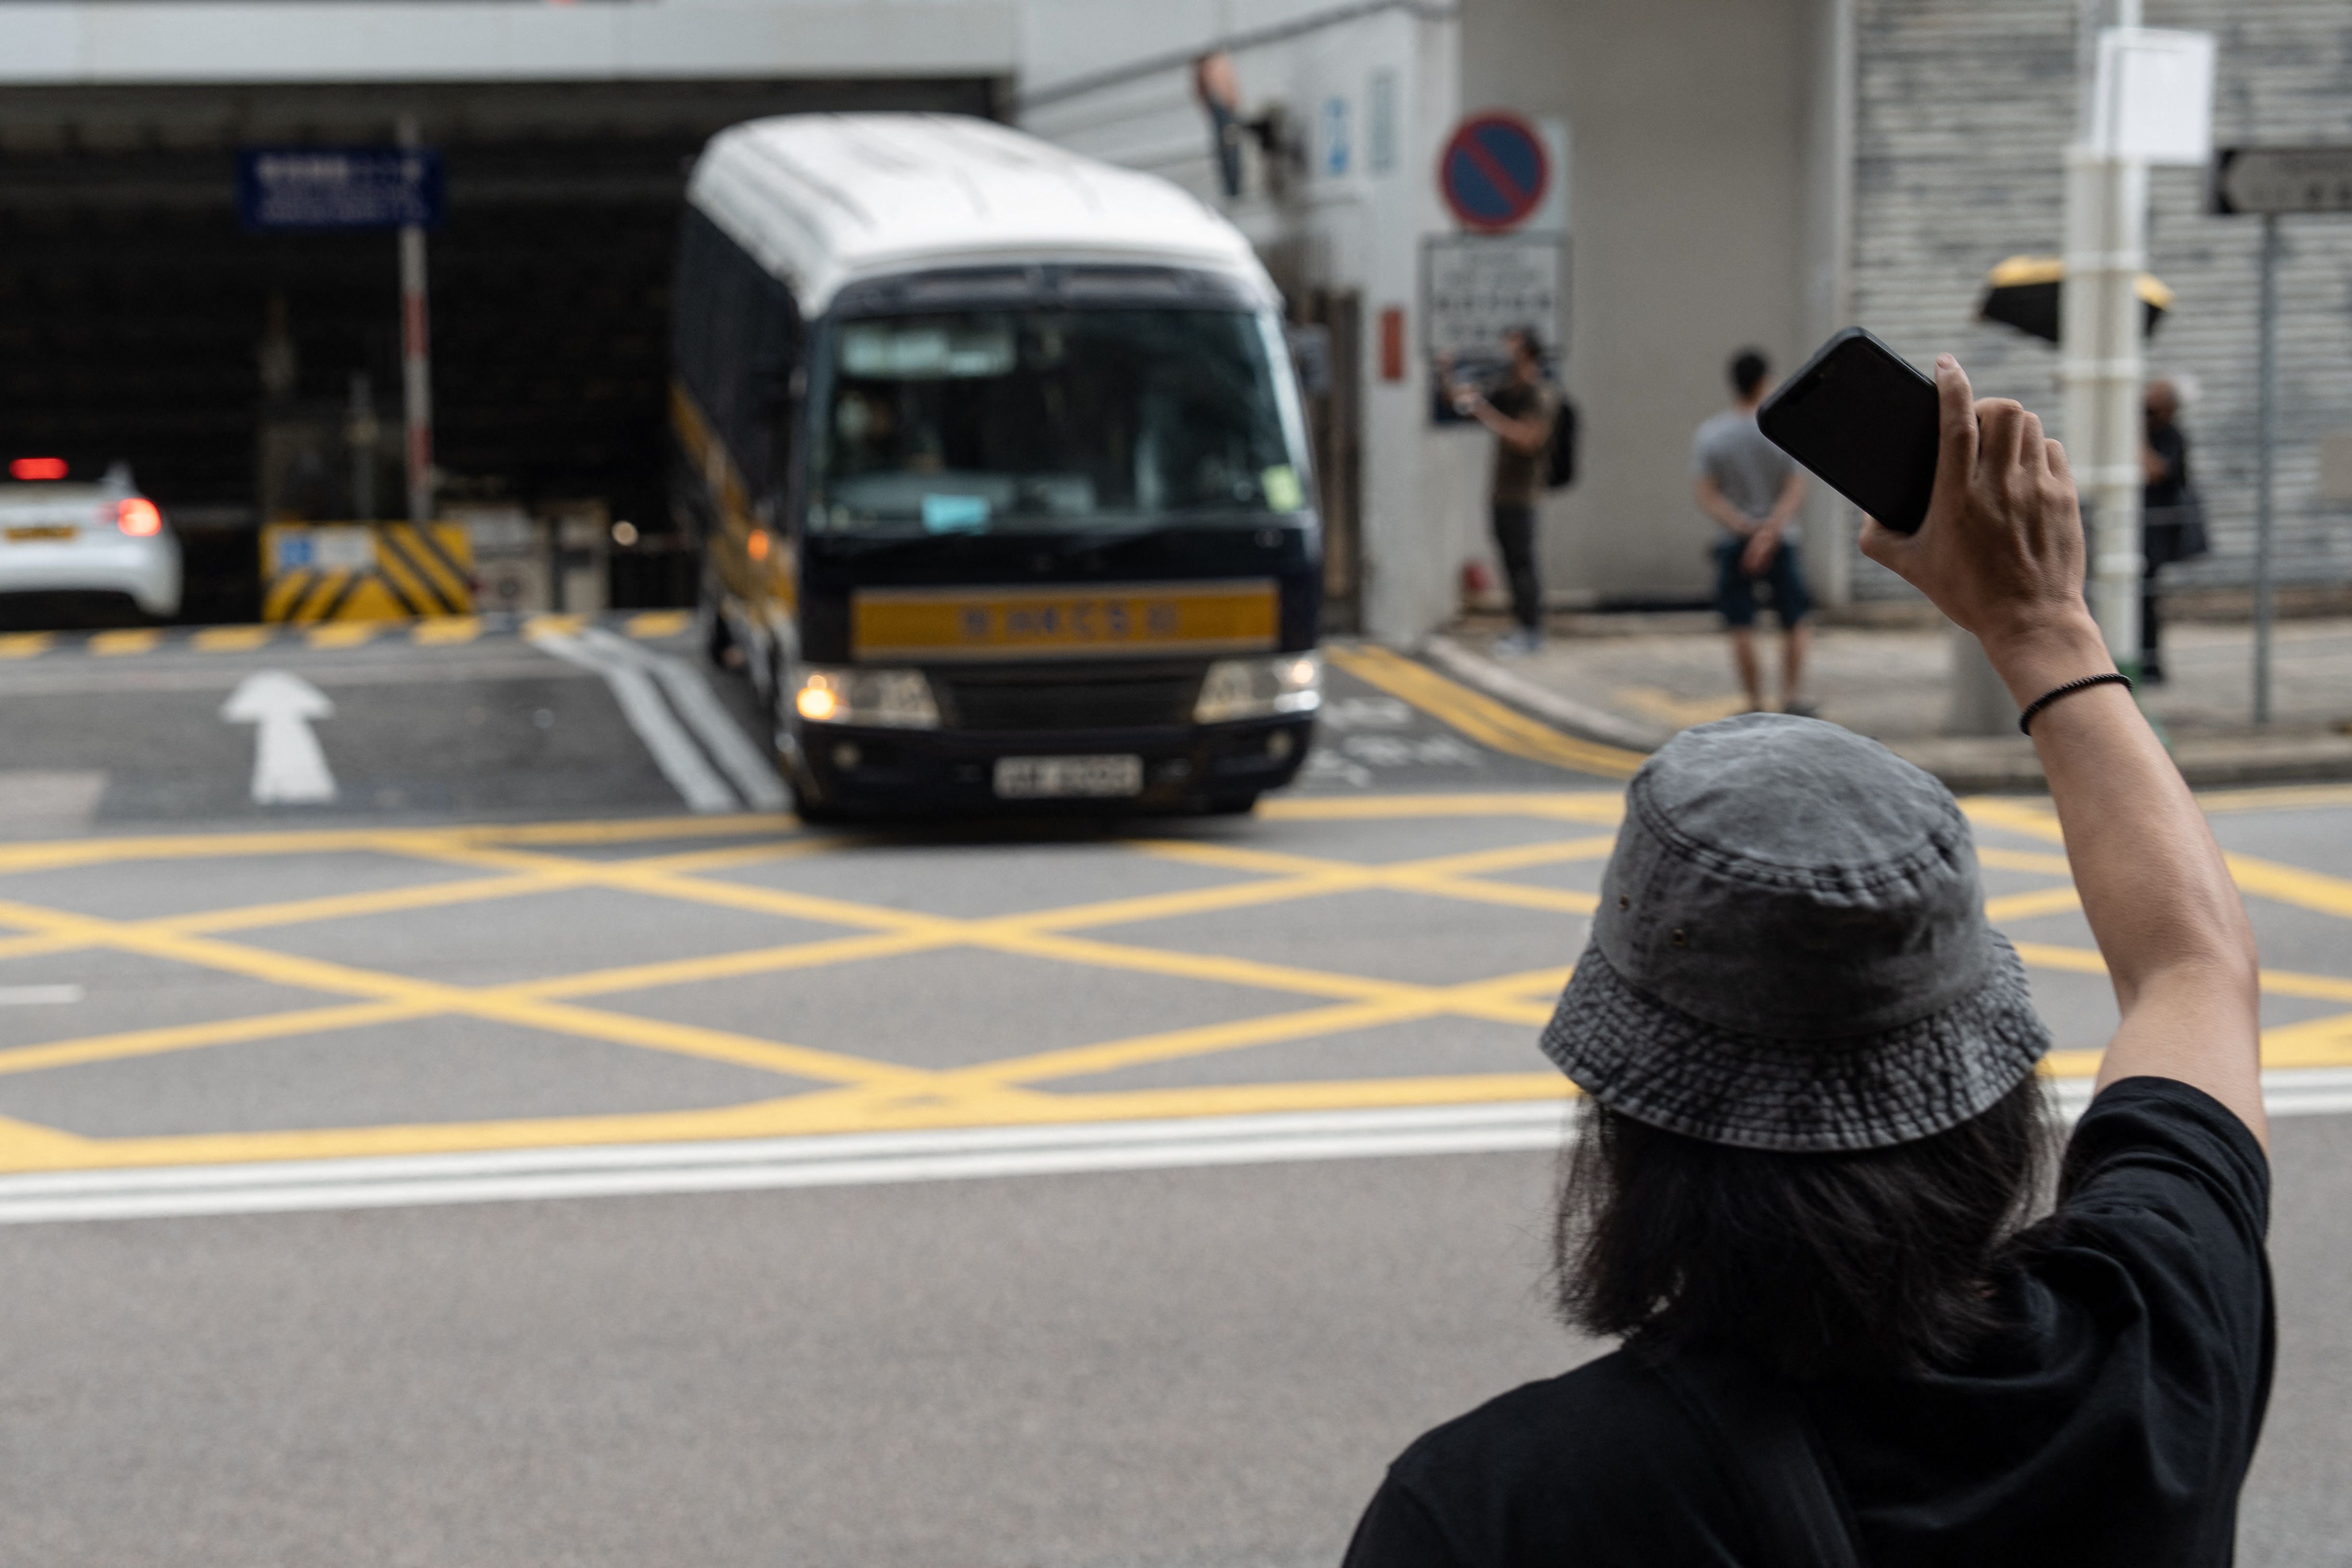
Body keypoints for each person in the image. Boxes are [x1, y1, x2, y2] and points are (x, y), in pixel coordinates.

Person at [1344, 354, 2269, 1568]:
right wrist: (2044, 625)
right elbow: (2193, 967)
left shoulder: (1500, 1507)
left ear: (1631, 1109)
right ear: (1982, 1087)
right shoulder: (2153, 1344)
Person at [1693, 349, 1813, 715]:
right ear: (1764, 381)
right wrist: (1771, 529)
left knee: (1741, 623)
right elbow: (1796, 486)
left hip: (1735, 540)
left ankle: (1754, 701)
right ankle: (1790, 697)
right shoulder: (1782, 428)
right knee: (1795, 620)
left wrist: (1745, 527)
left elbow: (1706, 493)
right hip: (1782, 537)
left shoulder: (1712, 434)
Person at [1450, 328, 1559, 655]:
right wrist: (1449, 375)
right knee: (1511, 564)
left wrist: (1484, 411)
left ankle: (1531, 630)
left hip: (1524, 494)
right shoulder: (1510, 391)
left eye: (1512, 344)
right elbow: (1462, 403)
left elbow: (1528, 439)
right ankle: (1521, 627)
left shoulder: (1540, 394)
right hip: (1502, 493)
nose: (1504, 350)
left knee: (1523, 564)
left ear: (1527, 351)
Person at [2140, 378, 2195, 684]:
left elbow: (2155, 471)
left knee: (2146, 601)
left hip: (2157, 533)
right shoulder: (2149, 433)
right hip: (2139, 530)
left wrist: (2133, 432)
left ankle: (2150, 665)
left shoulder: (2171, 436)